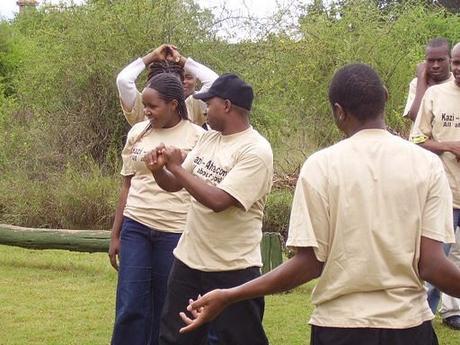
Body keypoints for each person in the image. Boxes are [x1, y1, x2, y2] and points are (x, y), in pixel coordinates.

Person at [178, 64, 460, 345]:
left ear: (339, 111)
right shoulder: (427, 165)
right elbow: (433, 266)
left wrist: (230, 295)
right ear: (385, 97)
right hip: (408, 327)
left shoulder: (321, 166)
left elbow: (309, 264)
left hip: (338, 328)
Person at [144, 73, 273, 345]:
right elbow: (175, 184)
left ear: (226, 105)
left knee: (239, 340)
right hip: (188, 261)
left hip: (233, 269)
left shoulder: (256, 151)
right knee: (175, 338)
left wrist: (176, 167)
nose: (203, 108)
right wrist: (159, 172)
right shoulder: (208, 139)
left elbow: (218, 201)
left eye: (208, 102)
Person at [108, 71, 205, 345]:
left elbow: (195, 186)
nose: (147, 111)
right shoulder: (137, 132)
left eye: (152, 106)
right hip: (135, 226)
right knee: (130, 304)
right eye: (145, 106)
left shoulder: (198, 137)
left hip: (175, 230)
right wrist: (116, 235)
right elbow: (126, 186)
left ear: (174, 104)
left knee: (167, 306)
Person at [410, 42, 460, 330]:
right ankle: (422, 316)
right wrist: (448, 146)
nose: (455, 69)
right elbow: (416, 140)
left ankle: (453, 312)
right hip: (445, 195)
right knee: (434, 261)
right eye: (455, 63)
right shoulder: (435, 95)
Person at [116, 44, 218, 128]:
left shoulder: (191, 108)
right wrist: (152, 56)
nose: (167, 89)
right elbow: (123, 80)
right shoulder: (142, 110)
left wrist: (180, 60)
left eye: (173, 84)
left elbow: (215, 82)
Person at [403, 38, 453, 122]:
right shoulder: (416, 83)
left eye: (440, 60)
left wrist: (433, 86)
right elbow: (416, 117)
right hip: (420, 135)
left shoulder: (455, 83)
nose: (435, 65)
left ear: (450, 60)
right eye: (431, 60)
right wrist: (422, 78)